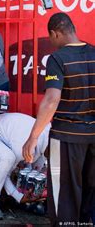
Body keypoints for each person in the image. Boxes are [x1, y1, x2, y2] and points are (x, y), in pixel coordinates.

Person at [22, 13, 94, 225]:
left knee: (64, 196)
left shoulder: (58, 58)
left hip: (66, 138)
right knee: (91, 193)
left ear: (54, 33)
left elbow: (52, 99)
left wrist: (33, 137)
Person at [0, 113, 50, 220]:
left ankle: (20, 197)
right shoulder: (23, 144)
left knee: (33, 169)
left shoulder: (49, 137)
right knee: (8, 158)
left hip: (8, 134)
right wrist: (19, 197)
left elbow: (36, 167)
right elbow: (7, 173)